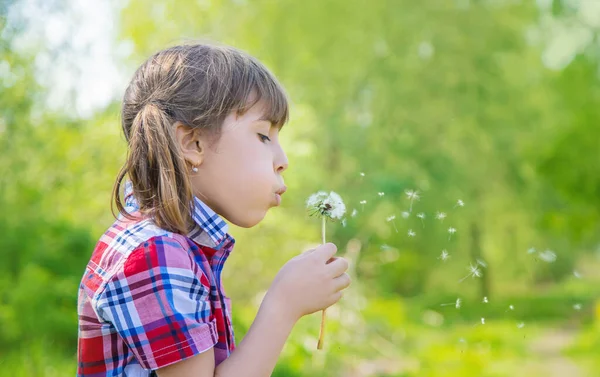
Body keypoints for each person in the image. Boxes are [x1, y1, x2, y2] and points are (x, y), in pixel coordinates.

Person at [76, 43, 351, 377]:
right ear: (193, 144)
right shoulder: (154, 253)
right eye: (264, 136)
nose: (283, 161)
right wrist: (283, 306)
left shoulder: (172, 245)